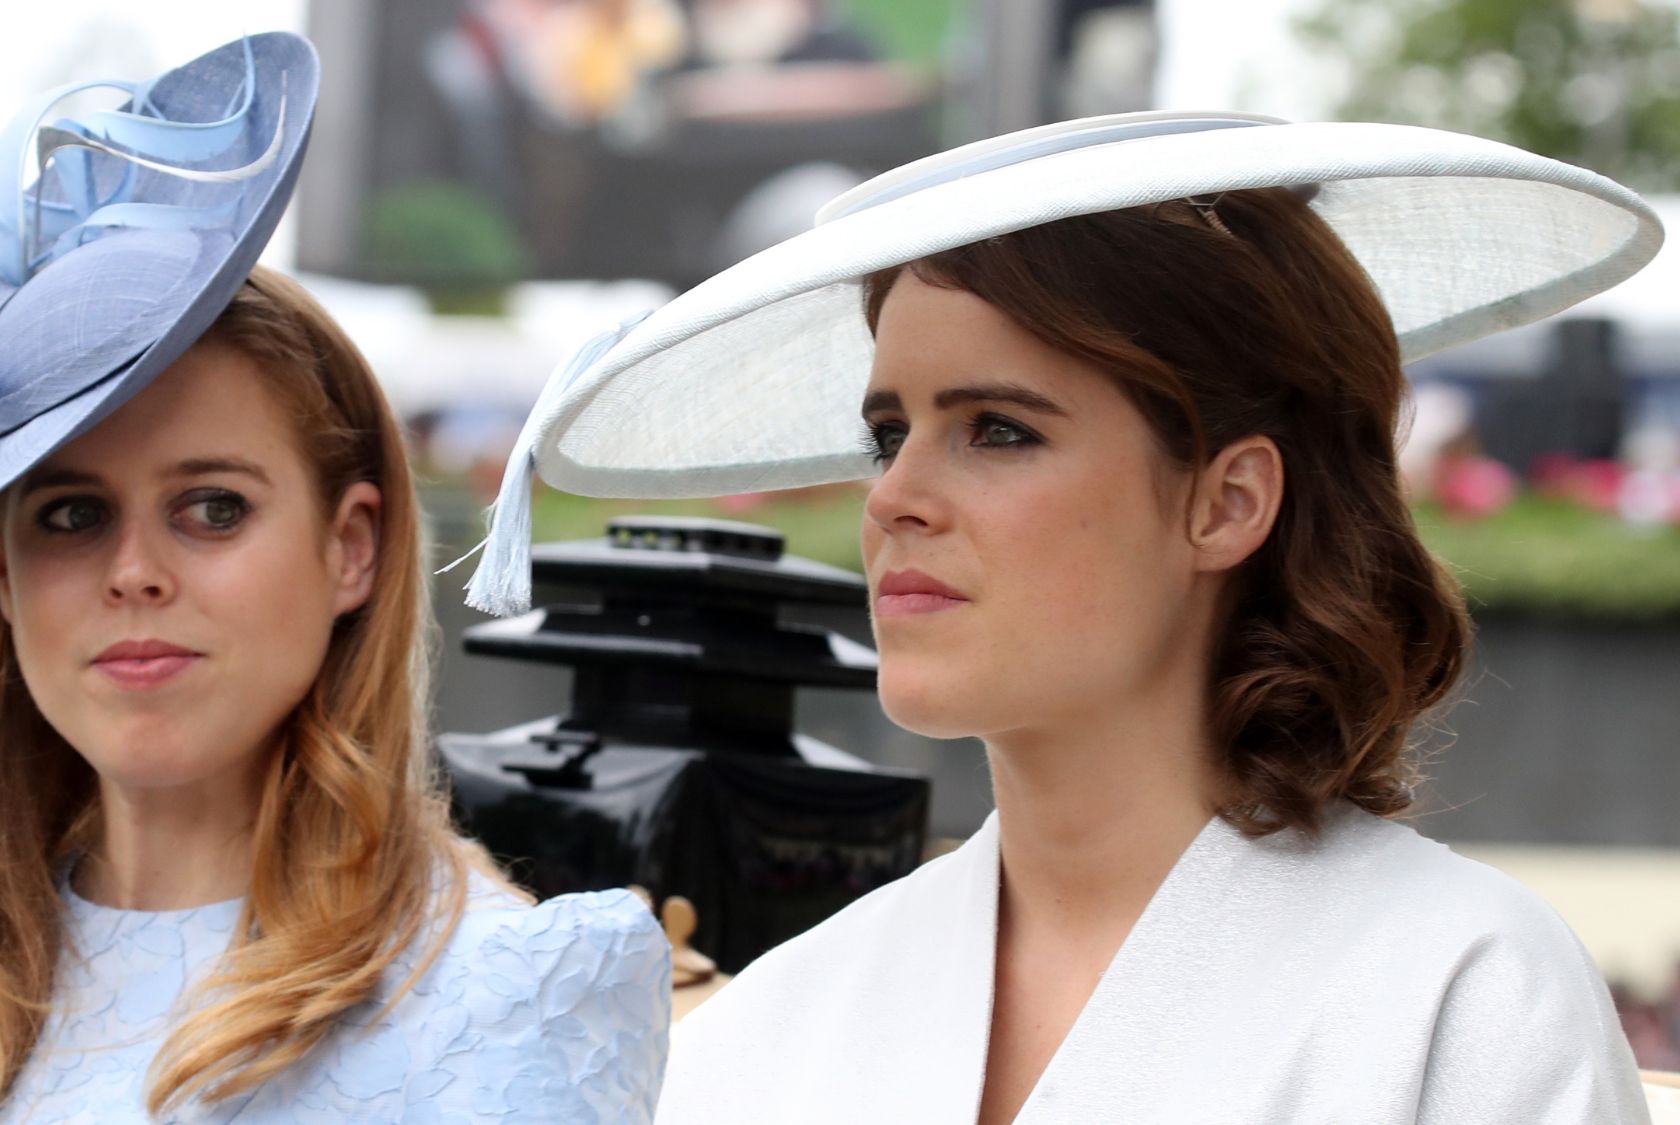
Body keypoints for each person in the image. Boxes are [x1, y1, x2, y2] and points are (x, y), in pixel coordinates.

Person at [458, 112, 1665, 1121]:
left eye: (997, 428)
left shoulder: (1458, 992)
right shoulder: (774, 1026)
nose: (891, 498)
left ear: (1224, 500)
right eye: (888, 433)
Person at [0, 32, 667, 1124]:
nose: (135, 573)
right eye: (72, 515)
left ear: (352, 547)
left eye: (213, 508)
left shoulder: (511, 992)